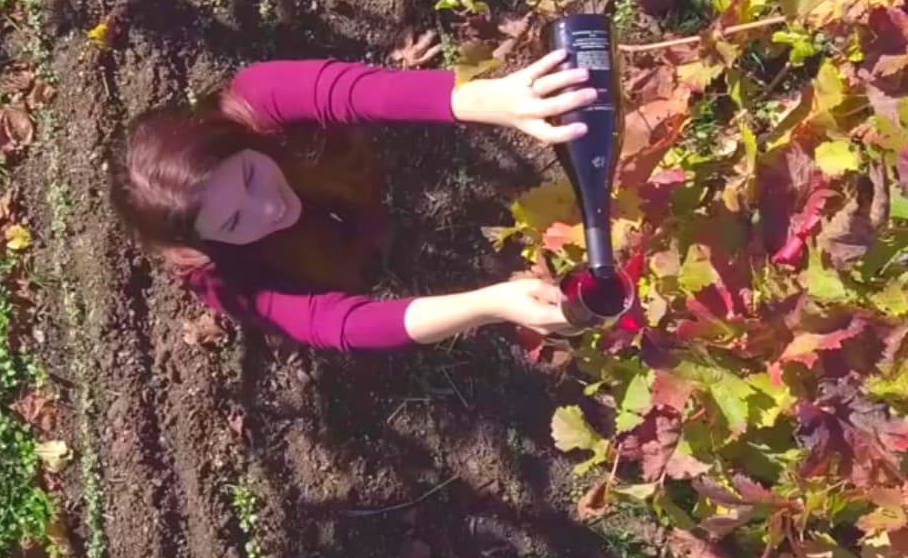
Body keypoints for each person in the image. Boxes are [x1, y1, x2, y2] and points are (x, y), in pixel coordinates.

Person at [112, 51, 598, 351]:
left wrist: (487, 100)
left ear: (237, 142)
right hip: (317, 249)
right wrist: (490, 303)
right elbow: (341, 325)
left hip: (335, 176)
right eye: (235, 221)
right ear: (210, 242)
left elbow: (361, 91)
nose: (268, 208)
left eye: (249, 176)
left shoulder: (257, 97)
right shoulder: (221, 281)